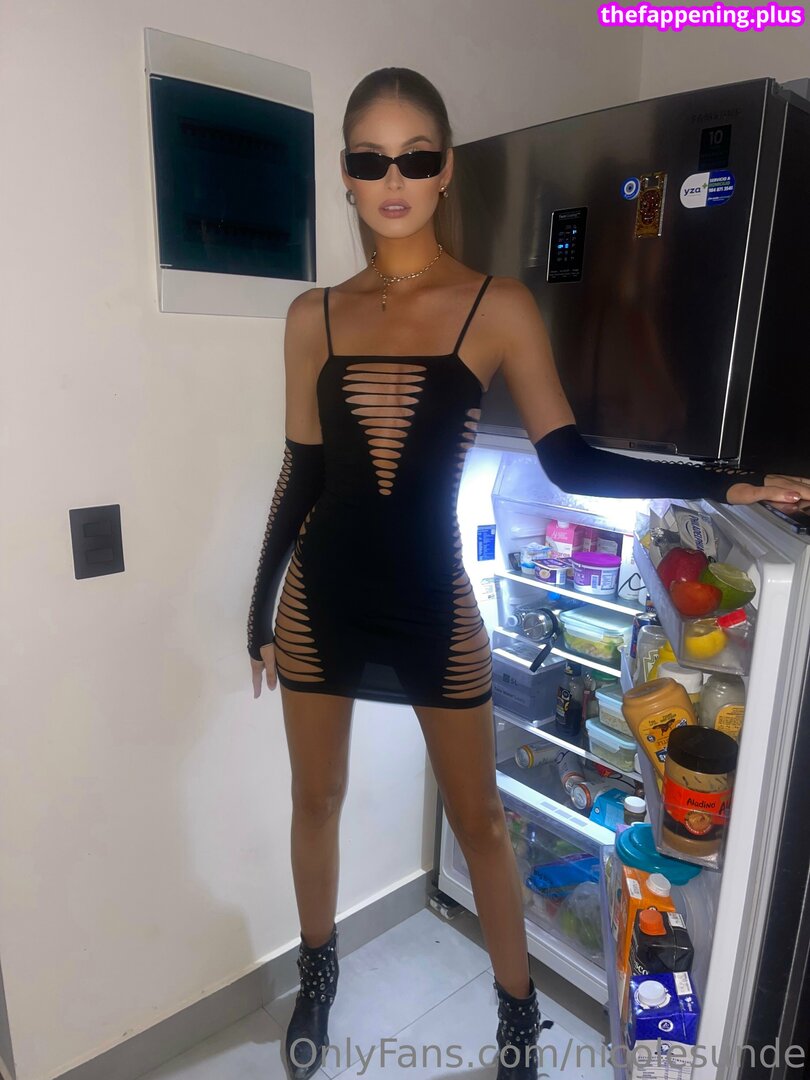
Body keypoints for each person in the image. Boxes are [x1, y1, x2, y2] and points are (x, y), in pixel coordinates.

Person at [247, 68, 810, 1080]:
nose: (393, 179)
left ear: (444, 170)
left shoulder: (496, 305)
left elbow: (574, 462)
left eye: (415, 157)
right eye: (371, 159)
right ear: (346, 173)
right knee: (314, 801)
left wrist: (729, 481)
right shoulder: (311, 316)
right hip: (319, 600)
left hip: (431, 601)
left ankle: (518, 1020)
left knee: (481, 822)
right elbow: (303, 475)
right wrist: (257, 609)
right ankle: (318, 973)